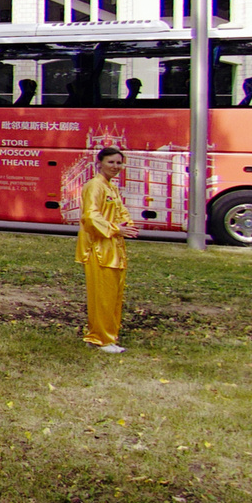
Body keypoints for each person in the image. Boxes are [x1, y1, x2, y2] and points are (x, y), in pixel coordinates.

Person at [78, 147, 140, 353]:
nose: (115, 167)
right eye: (111, 162)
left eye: (119, 163)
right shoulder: (94, 186)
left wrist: (127, 225)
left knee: (114, 294)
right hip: (99, 247)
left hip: (114, 246)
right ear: (99, 163)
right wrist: (115, 229)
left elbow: (120, 211)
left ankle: (109, 336)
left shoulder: (111, 188)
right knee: (102, 295)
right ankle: (99, 338)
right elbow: (90, 217)